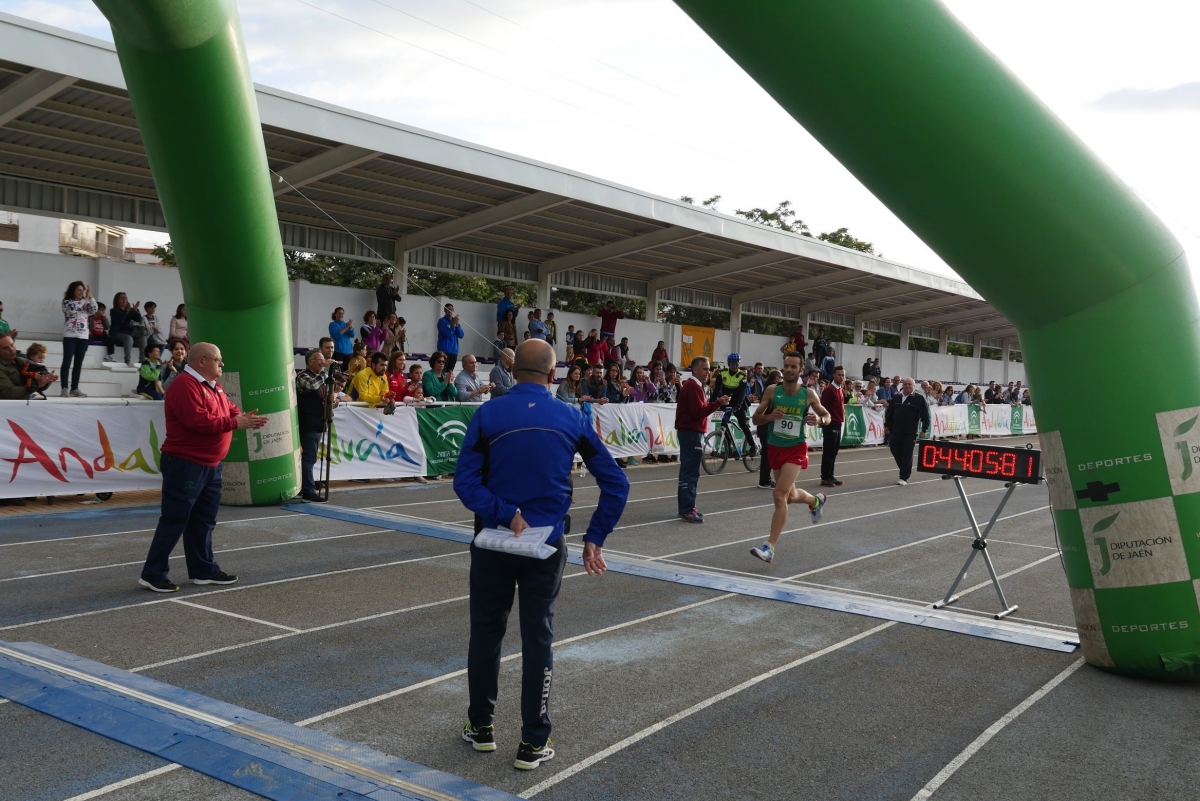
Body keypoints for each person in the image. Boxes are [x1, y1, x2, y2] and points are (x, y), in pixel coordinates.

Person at [455, 339, 627, 768]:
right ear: (554, 376)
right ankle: (533, 741)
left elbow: (464, 483)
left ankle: (481, 727)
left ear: (512, 373)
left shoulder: (488, 413)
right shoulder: (572, 416)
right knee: (538, 639)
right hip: (547, 545)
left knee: (486, 633)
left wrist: (504, 512)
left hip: (493, 541)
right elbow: (617, 483)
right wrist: (595, 537)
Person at [138, 342, 267, 593]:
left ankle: (203, 570)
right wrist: (234, 422)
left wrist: (240, 419)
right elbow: (198, 421)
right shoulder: (184, 385)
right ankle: (152, 573)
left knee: (204, 521)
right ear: (201, 361)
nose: (222, 363)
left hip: (210, 465)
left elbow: (231, 410)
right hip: (186, 463)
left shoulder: (214, 386)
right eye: (218, 359)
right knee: (175, 519)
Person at [749, 353, 832, 563]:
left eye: (793, 366)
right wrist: (769, 416)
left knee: (779, 495)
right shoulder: (772, 391)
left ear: (801, 369)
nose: (788, 370)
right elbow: (756, 418)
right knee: (791, 496)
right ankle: (815, 500)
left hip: (795, 448)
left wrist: (819, 420)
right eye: (786, 366)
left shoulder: (808, 394)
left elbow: (828, 416)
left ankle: (770, 547)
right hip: (775, 447)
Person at [675, 356, 730, 524]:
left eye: (708, 369)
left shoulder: (696, 386)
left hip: (691, 432)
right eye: (705, 369)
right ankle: (686, 508)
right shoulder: (692, 387)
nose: (708, 372)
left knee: (688, 471)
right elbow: (698, 412)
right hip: (691, 433)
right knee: (690, 472)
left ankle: (687, 506)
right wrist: (717, 403)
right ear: (695, 369)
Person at [296, 349, 340, 502]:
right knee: (308, 458)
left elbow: (328, 399)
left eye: (323, 360)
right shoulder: (303, 376)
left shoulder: (322, 378)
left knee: (311, 458)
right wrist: (326, 371)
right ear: (310, 361)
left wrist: (333, 399)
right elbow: (313, 386)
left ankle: (305, 487)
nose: (322, 362)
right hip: (308, 423)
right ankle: (308, 491)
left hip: (319, 422)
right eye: (319, 360)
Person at [884, 377, 931, 486]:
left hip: (910, 432)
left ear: (914, 386)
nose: (907, 386)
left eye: (910, 384)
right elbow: (889, 413)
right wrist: (887, 426)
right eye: (905, 384)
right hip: (895, 430)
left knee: (906, 454)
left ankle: (904, 476)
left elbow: (925, 416)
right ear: (902, 385)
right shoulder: (896, 397)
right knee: (895, 450)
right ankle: (905, 468)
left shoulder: (919, 399)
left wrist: (924, 429)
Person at [713, 354, 756, 457]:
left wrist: (738, 405)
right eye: (732, 364)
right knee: (723, 424)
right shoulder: (722, 374)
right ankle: (730, 448)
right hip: (726, 401)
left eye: (737, 364)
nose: (735, 366)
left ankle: (753, 446)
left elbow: (742, 393)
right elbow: (716, 390)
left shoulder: (742, 376)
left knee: (743, 424)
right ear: (728, 364)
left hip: (738, 402)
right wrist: (712, 402)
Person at [60, 280, 97, 398]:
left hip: (83, 336)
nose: (81, 292)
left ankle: (74, 388)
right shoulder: (67, 302)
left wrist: (91, 297)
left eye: (83, 290)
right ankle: (64, 387)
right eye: (79, 290)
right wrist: (85, 300)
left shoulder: (85, 302)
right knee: (67, 362)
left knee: (78, 363)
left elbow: (94, 310)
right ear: (73, 290)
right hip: (70, 335)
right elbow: (71, 310)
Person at [819, 365, 847, 487]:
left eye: (843, 375)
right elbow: (822, 406)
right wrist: (823, 420)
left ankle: (831, 475)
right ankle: (825, 477)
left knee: (834, 451)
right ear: (834, 375)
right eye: (839, 375)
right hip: (831, 424)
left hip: (838, 423)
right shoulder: (830, 389)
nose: (841, 377)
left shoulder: (840, 389)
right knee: (829, 451)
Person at [756, 369, 782, 490]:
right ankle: (764, 480)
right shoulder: (772, 390)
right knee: (767, 454)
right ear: (776, 379)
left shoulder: (771, 389)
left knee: (768, 453)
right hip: (766, 425)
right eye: (780, 378)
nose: (782, 380)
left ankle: (765, 479)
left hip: (765, 425)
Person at [109, 292, 147, 367]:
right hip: (117, 332)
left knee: (143, 338)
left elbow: (138, 319)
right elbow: (120, 321)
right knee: (129, 338)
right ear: (117, 300)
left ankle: (142, 360)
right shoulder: (113, 311)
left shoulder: (129, 310)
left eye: (126, 298)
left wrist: (135, 311)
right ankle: (127, 361)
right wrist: (126, 311)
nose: (124, 300)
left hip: (128, 331)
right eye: (122, 298)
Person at [438, 304, 465, 371]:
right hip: (444, 351)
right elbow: (447, 334)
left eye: (451, 309)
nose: (450, 311)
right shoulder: (442, 321)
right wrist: (453, 325)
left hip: (454, 351)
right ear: (445, 310)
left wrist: (456, 325)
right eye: (448, 309)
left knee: (450, 372)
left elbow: (461, 335)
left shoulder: (455, 322)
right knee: (443, 371)